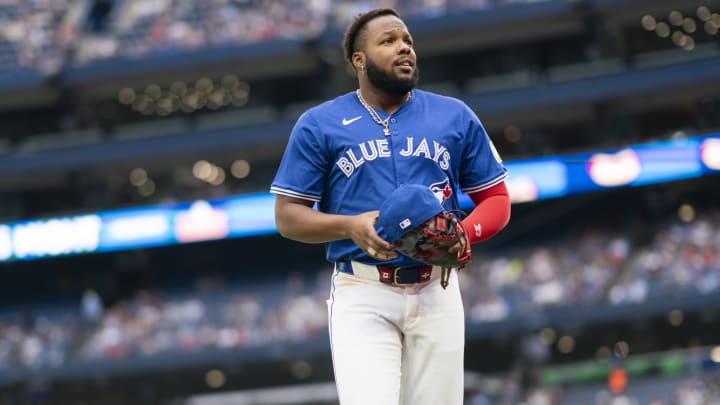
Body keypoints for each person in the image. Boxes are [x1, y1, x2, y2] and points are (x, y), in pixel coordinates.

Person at [270, 7, 511, 405]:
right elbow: (287, 217)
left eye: (408, 41)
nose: (404, 48)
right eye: (389, 41)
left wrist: (461, 236)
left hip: (437, 288)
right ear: (358, 60)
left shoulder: (454, 115)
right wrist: (349, 226)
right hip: (363, 291)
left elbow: (496, 199)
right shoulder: (319, 124)